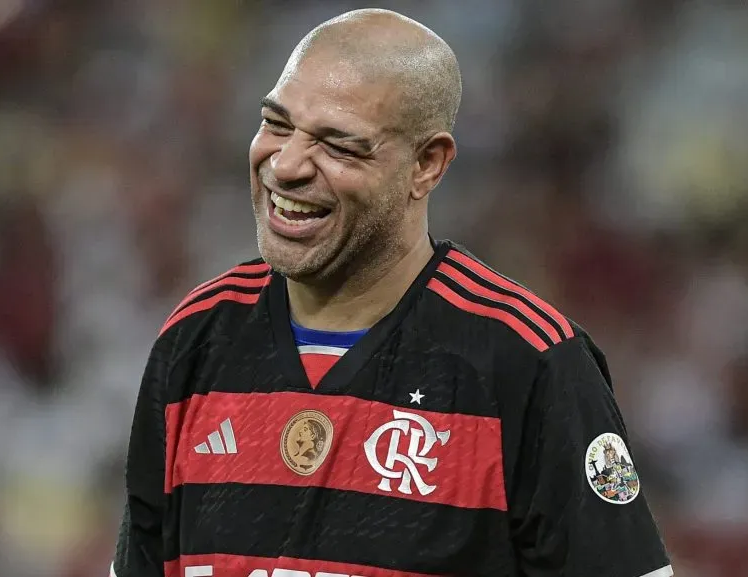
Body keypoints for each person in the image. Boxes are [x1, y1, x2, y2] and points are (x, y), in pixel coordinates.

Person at [112, 8, 672, 577]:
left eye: (339, 145)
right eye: (277, 124)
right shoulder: (195, 341)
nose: (285, 165)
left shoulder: (524, 361)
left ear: (427, 164)